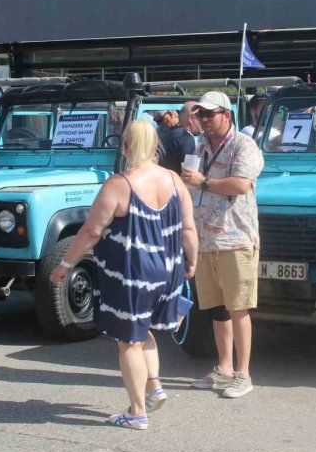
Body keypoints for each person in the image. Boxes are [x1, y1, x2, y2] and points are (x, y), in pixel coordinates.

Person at [50, 119, 198, 430]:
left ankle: (136, 411)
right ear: (156, 145)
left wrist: (65, 264)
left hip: (130, 274)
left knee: (128, 341)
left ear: (126, 146)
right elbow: (188, 229)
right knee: (145, 332)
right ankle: (154, 384)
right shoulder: (173, 179)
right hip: (167, 272)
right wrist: (191, 264)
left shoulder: (120, 184)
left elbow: (91, 230)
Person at [180, 91, 264, 398]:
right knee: (216, 309)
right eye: (200, 115)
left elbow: (241, 184)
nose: (203, 120)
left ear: (226, 116)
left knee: (239, 307)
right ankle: (224, 368)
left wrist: (203, 182)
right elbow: (188, 184)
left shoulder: (244, 144)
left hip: (235, 239)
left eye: (209, 115)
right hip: (206, 239)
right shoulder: (199, 145)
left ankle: (243, 374)